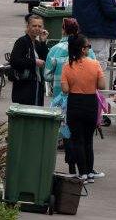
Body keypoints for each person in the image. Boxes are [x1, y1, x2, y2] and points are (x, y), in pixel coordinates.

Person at [44, 18, 96, 175]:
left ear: (63, 29)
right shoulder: (88, 50)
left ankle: (72, 166)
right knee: (84, 138)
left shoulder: (54, 50)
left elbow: (46, 75)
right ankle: (86, 170)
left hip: (62, 99)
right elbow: (94, 72)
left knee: (68, 134)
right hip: (86, 98)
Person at [61, 33, 106, 183]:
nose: (89, 48)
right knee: (88, 140)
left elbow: (65, 90)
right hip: (90, 103)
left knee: (77, 140)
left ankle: (83, 173)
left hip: (74, 102)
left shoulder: (67, 66)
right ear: (82, 49)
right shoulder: (95, 64)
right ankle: (90, 172)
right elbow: (101, 86)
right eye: (88, 46)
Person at [10, 14, 49, 106]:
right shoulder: (22, 41)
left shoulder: (37, 43)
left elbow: (45, 59)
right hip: (25, 87)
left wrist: (43, 42)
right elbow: (14, 61)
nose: (37, 28)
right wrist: (34, 62)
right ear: (28, 26)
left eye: (40, 26)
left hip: (37, 86)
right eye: (34, 26)